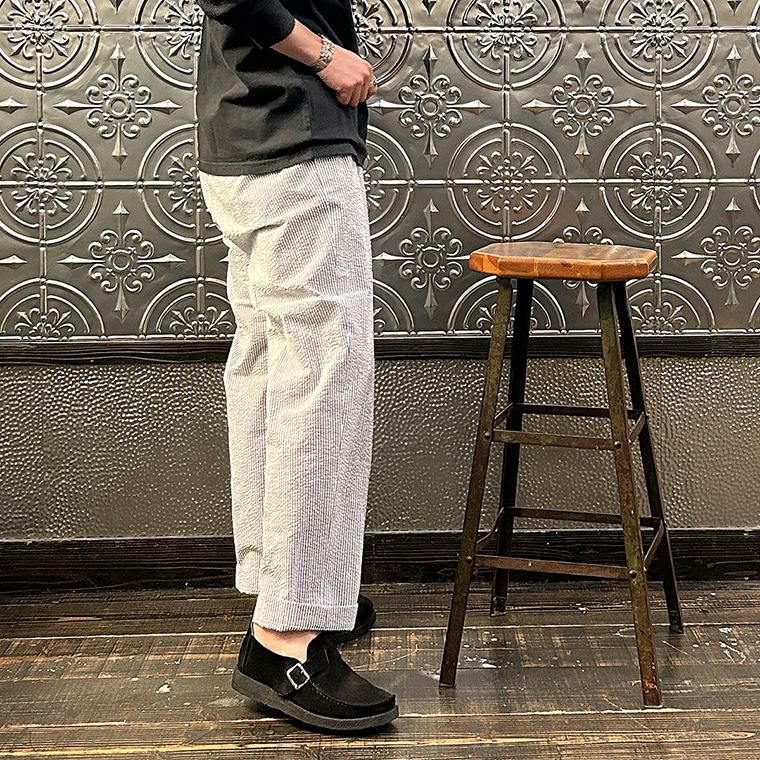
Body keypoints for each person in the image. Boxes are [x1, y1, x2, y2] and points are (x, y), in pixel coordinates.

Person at [195, 0, 399, 733]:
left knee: (268, 376)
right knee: (322, 386)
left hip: (241, 138)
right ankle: (287, 638)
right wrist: (326, 55)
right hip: (297, 138)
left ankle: (281, 590)